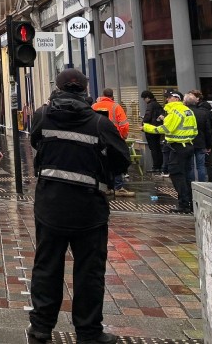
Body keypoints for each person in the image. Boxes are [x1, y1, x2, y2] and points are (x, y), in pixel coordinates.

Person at [26, 69, 130, 344]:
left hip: (50, 205)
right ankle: (88, 332)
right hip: (89, 210)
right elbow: (122, 160)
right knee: (89, 272)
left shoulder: (42, 116)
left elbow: (35, 141)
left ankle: (40, 328)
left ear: (57, 88)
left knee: (46, 266)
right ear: (85, 91)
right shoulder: (99, 123)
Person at [143, 90, 197, 214]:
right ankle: (190, 202)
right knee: (186, 176)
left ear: (177, 99)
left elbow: (166, 129)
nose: (167, 100)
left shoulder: (175, 112)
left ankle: (184, 204)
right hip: (188, 146)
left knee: (176, 175)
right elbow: (194, 130)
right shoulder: (188, 111)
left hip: (178, 147)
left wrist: (146, 127)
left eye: (169, 97)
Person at [92, 89, 133, 197]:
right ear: (112, 96)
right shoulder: (116, 107)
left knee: (102, 162)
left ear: (102, 95)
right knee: (116, 160)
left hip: (98, 139)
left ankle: (106, 188)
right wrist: (122, 136)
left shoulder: (94, 106)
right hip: (113, 139)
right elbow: (124, 124)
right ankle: (118, 187)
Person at [184, 91, 212, 183]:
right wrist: (209, 145)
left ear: (185, 103)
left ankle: (191, 184)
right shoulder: (203, 113)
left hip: (188, 142)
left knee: (190, 166)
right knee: (201, 165)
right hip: (201, 142)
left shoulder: (185, 113)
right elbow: (207, 130)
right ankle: (202, 184)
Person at [140, 90, 164, 176]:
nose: (144, 101)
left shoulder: (150, 105)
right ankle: (160, 166)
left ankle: (155, 167)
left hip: (150, 129)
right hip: (157, 129)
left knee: (153, 149)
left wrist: (143, 124)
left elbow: (147, 116)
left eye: (144, 99)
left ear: (147, 97)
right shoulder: (158, 104)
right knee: (158, 148)